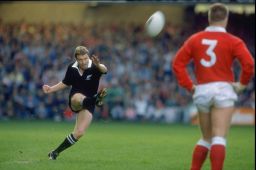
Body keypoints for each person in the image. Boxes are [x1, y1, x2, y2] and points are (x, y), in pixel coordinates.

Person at [172, 3, 254, 170]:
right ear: (226, 19)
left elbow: (177, 64)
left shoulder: (195, 39)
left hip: (202, 91)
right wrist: (243, 84)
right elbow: (249, 64)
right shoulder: (234, 41)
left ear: (209, 19)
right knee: (219, 138)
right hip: (223, 90)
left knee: (206, 138)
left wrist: (190, 86)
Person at [42, 46, 108, 160]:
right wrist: (51, 89)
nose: (83, 61)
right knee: (77, 98)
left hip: (89, 103)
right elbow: (65, 83)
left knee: (79, 132)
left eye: (85, 58)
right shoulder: (72, 68)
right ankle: (96, 100)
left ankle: (55, 153)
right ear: (76, 59)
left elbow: (104, 69)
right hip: (76, 99)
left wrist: (98, 64)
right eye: (80, 59)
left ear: (88, 56)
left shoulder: (95, 66)